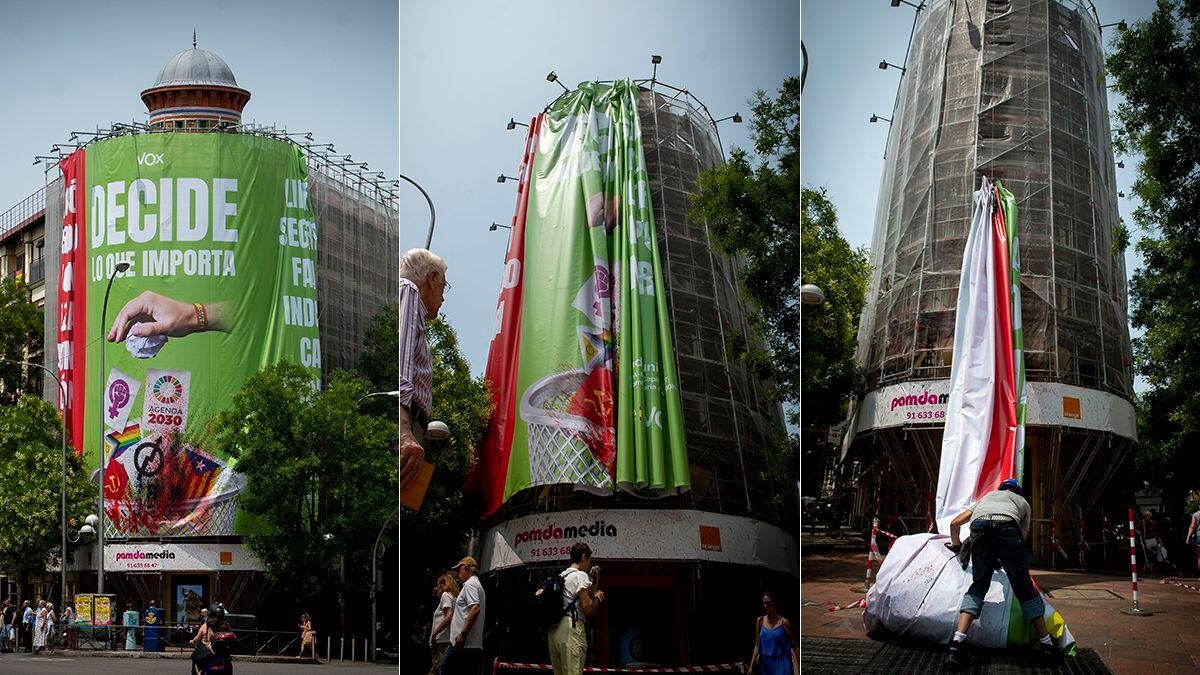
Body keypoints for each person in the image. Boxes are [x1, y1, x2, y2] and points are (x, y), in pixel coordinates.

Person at [944, 479, 1060, 670]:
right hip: (1008, 527)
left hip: (979, 529)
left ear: (1001, 490)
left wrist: (957, 546)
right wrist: (1003, 556)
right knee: (1024, 589)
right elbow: (1021, 538)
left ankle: (956, 646)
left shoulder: (987, 498)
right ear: (1017, 492)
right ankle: (1047, 645)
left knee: (979, 585)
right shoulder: (1023, 503)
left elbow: (955, 523)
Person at [400, 248, 448, 489]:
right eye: (444, 285)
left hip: (412, 424)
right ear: (431, 279)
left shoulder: (412, 306)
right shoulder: (408, 290)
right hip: (405, 424)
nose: (443, 297)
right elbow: (402, 361)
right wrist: (403, 430)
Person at [545, 543, 605, 675]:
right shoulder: (580, 575)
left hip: (554, 631)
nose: (589, 563)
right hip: (571, 629)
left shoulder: (561, 576)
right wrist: (598, 599)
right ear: (584, 557)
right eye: (589, 560)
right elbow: (587, 607)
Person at [441, 556, 485, 675]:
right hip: (469, 645)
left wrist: (463, 634)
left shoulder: (470, 585)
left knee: (445, 670)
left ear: (466, 568)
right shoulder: (477, 584)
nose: (457, 573)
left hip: (462, 645)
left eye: (458, 570)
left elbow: (475, 608)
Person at [748, 591, 798, 675]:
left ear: (775, 604)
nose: (765, 606)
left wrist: (798, 665)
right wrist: (751, 666)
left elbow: (795, 645)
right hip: (766, 664)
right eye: (763, 603)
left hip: (782, 663)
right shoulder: (760, 621)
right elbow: (757, 645)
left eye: (768, 603)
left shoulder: (784, 622)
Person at [429, 573, 460, 675]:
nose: (436, 589)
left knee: (437, 669)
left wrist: (434, 634)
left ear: (443, 585)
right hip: (447, 639)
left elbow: (449, 616)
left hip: (441, 640)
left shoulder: (445, 595)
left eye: (438, 585)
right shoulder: (454, 597)